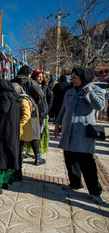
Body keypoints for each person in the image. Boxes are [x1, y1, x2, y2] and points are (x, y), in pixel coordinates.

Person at [54, 67, 105, 204]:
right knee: (70, 160)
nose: (73, 80)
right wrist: (58, 125)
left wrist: (89, 93)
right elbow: (63, 109)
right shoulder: (70, 91)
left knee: (87, 163)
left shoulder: (94, 89)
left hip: (83, 133)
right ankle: (75, 184)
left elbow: (100, 106)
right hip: (68, 130)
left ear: (83, 78)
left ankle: (95, 191)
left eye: (75, 78)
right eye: (72, 78)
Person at [12, 83, 40, 179]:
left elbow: (26, 115)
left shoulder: (23, 100)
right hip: (21, 129)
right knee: (18, 151)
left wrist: (17, 126)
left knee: (18, 152)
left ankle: (18, 173)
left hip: (21, 130)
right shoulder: (22, 98)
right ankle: (17, 172)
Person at [29, 70, 52, 159]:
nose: (41, 78)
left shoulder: (45, 87)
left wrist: (47, 108)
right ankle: (30, 150)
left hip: (42, 113)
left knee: (41, 133)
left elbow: (49, 98)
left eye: (42, 77)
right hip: (33, 113)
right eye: (39, 76)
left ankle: (40, 150)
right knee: (32, 132)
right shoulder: (31, 86)